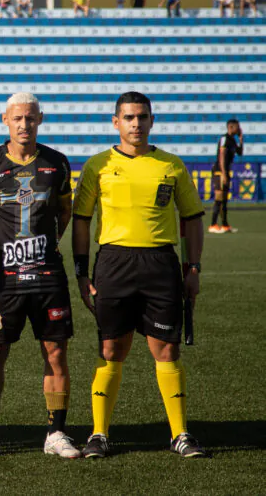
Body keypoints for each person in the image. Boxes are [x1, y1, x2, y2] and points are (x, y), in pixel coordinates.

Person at [73, 91, 206, 459]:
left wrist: (193, 267)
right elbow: (81, 223)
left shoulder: (172, 165)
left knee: (166, 349)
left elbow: (192, 218)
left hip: (160, 264)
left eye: (142, 117)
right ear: (115, 122)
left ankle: (180, 434)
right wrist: (82, 272)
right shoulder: (97, 165)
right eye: (129, 117)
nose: (136, 124)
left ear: (152, 121)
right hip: (113, 263)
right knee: (111, 348)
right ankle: (99, 434)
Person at [0, 93, 80, 459]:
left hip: (48, 277)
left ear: (40, 119)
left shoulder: (57, 164)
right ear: (5, 120)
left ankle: (56, 433)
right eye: (17, 119)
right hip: (4, 278)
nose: (24, 125)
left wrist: (48, 244)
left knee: (55, 352)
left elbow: (65, 210)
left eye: (30, 118)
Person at [209, 119, 243, 233]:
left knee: (224, 200)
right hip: (219, 172)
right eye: (237, 127)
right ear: (231, 127)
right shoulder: (224, 139)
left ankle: (225, 225)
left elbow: (240, 152)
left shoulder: (233, 140)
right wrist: (224, 173)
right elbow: (222, 156)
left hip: (225, 172)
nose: (239, 129)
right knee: (219, 198)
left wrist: (241, 139)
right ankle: (213, 225)